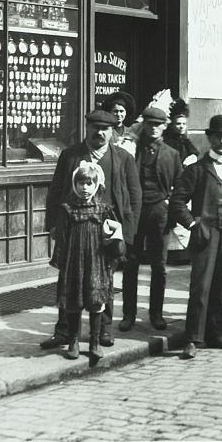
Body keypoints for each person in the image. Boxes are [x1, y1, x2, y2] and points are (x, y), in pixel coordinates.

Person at [41, 108, 140, 350]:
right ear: (87, 129)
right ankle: (64, 331)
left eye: (105, 129)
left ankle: (103, 330)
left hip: (107, 230)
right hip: (75, 228)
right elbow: (56, 191)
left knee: (104, 279)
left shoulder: (123, 158)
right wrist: (53, 224)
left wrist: (128, 232)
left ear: (112, 131)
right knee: (68, 278)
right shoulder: (70, 155)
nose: (100, 133)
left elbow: (135, 196)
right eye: (95, 128)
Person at [170, 114, 222, 358]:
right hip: (205, 235)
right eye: (219, 137)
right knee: (200, 287)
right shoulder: (197, 170)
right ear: (210, 138)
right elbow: (178, 202)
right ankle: (193, 338)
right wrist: (192, 224)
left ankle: (215, 333)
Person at [51, 161, 125, 367]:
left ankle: (94, 342)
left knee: (95, 301)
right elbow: (62, 239)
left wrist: (112, 257)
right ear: (75, 185)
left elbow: (113, 236)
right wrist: (63, 263)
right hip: (75, 262)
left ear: (96, 185)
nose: (85, 188)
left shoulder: (103, 210)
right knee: (74, 302)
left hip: (96, 261)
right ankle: (73, 341)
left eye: (89, 184)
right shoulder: (67, 210)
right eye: (81, 183)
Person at [119, 105, 183, 333]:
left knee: (159, 266)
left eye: (158, 124)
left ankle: (156, 314)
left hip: (159, 213)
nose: (154, 128)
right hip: (134, 214)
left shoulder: (172, 154)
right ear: (143, 125)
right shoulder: (131, 150)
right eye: (150, 124)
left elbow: (180, 186)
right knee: (130, 264)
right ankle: (129, 314)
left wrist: (169, 206)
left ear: (165, 126)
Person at [162, 99, 199, 166]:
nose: (182, 127)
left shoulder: (183, 139)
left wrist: (193, 156)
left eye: (184, 124)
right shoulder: (167, 140)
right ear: (172, 125)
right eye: (178, 124)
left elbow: (193, 151)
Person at [102, 91, 137, 155]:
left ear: (126, 113)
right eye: (115, 111)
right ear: (110, 112)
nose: (118, 114)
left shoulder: (131, 131)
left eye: (121, 111)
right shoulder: (106, 131)